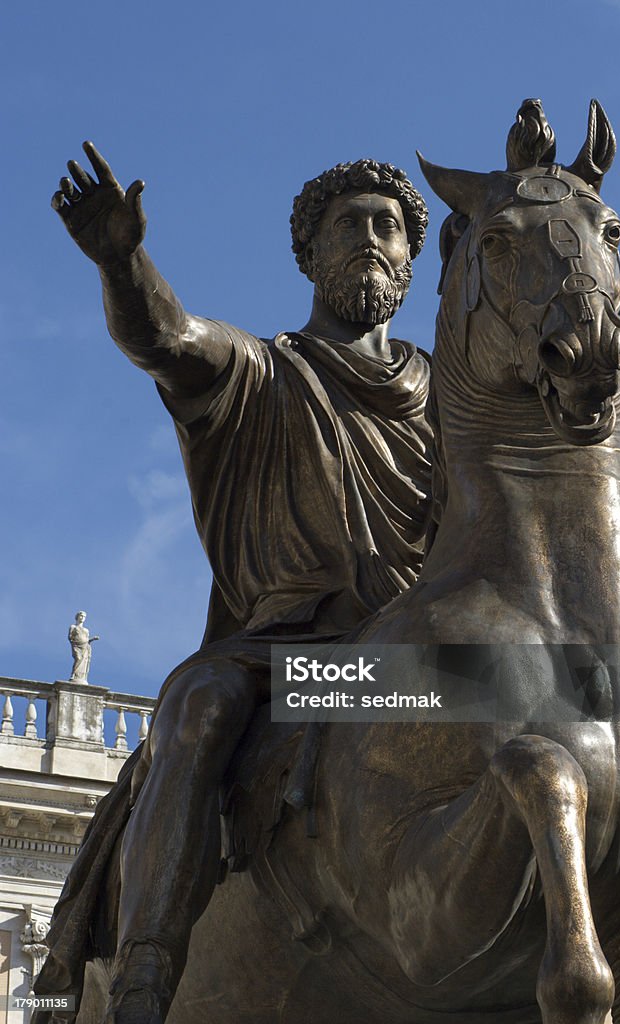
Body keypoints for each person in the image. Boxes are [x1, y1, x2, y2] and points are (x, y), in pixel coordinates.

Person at [40, 144, 432, 1024]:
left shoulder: (452, 397)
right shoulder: (258, 371)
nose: (372, 239)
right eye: (350, 224)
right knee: (197, 706)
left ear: (413, 257)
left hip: (430, 666)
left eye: (390, 227)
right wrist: (120, 259)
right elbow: (164, 339)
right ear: (310, 253)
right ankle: (145, 975)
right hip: (297, 661)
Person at [68, 610, 99, 682]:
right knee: (78, 658)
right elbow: (70, 637)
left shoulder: (86, 630)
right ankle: (73, 674)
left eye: (84, 617)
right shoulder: (73, 626)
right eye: (81, 616)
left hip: (85, 647)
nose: (82, 618)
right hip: (76, 645)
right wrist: (75, 642)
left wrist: (93, 638)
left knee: (84, 661)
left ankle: (80, 677)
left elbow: (87, 640)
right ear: (77, 617)